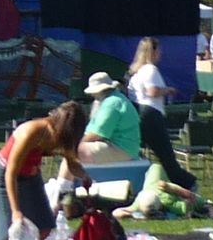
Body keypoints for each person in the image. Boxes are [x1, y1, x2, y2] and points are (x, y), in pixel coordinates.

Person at [0, 101, 89, 240]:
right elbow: (11, 172)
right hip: (5, 174)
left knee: (44, 226)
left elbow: (72, 163)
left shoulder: (65, 136)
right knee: (10, 230)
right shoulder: (32, 131)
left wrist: (84, 176)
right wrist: (16, 211)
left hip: (31, 175)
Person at [125, 38, 200, 205]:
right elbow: (152, 91)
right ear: (152, 51)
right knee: (166, 156)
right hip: (152, 115)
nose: (161, 53)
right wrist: (168, 90)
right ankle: (189, 184)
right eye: (158, 50)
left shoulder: (136, 72)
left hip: (139, 115)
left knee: (137, 154)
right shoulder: (150, 70)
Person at [80, 72, 144, 167]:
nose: (92, 95)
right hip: (124, 148)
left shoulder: (112, 103)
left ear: (100, 91)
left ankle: (64, 178)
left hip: (122, 149)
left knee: (77, 151)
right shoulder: (115, 99)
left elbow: (98, 134)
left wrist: (78, 143)